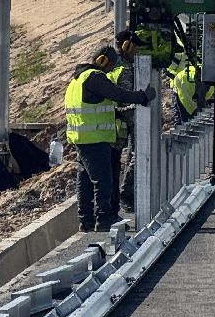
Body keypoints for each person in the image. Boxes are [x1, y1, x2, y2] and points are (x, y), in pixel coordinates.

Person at [65, 45, 151, 232]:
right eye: (110, 65)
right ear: (102, 61)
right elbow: (118, 94)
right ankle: (104, 219)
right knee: (103, 180)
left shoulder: (77, 79)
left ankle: (86, 221)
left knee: (86, 180)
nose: (111, 69)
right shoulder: (94, 77)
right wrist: (142, 96)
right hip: (94, 138)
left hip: (82, 137)